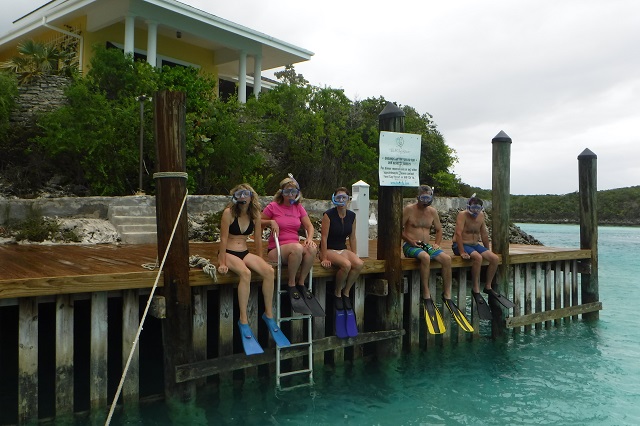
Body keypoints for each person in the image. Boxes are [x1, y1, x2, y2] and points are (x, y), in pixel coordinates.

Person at [218, 183, 290, 355]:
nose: (243, 197)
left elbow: (258, 239)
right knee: (246, 273)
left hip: (244, 251)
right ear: (235, 197)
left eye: (246, 194)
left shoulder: (255, 214)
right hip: (228, 252)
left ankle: (268, 314)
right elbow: (223, 239)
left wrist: (260, 260)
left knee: (269, 271)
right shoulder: (229, 213)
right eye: (239, 194)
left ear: (251, 197)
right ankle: (243, 320)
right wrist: (222, 262)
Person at [402, 185, 472, 333]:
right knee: (425, 257)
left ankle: (446, 295)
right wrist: (409, 241)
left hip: (427, 245)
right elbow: (398, 229)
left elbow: (439, 230)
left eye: (428, 197)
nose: (425, 200)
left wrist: (437, 244)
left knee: (446, 259)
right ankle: (426, 294)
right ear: (418, 197)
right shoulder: (409, 209)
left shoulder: (432, 212)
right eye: (423, 197)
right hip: (410, 246)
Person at [262, 175, 324, 316]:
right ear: (282, 193)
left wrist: (309, 239)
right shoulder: (273, 207)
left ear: (297, 193)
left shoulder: (298, 208)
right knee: (297, 248)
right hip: (277, 249)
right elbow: (258, 221)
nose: (290, 194)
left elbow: (309, 226)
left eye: (293, 192)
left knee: (312, 248)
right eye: (287, 191)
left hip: (295, 248)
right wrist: (271, 222)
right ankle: (291, 284)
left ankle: (301, 283)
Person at [453, 195, 512, 313]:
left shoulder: (481, 216)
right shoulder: (462, 215)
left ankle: (488, 286)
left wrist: (487, 250)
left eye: (478, 208)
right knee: (478, 258)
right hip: (461, 245)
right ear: (468, 207)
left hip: (475, 245)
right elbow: (458, 234)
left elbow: (484, 234)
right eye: (473, 208)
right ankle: (475, 288)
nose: (475, 211)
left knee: (494, 258)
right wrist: (462, 251)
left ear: (481, 208)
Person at [320, 187, 363, 338]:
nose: (341, 201)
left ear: (348, 200)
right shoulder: (328, 215)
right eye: (338, 198)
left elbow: (352, 237)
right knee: (346, 265)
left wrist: (354, 253)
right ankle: (337, 293)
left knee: (358, 264)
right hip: (329, 249)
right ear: (334, 199)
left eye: (344, 198)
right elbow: (323, 238)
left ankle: (346, 292)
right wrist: (324, 257)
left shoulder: (352, 216)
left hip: (342, 248)